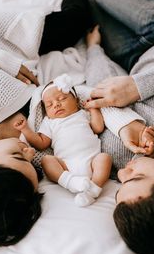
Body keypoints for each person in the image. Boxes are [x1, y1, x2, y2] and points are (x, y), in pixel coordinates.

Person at [0, 0, 93, 247]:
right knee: (82, 18)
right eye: (32, 167)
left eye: (19, 157)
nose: (29, 153)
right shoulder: (34, 150)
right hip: (35, 66)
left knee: (76, 19)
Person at [84, 0, 154, 254]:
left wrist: (93, 50)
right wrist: (138, 87)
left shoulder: (117, 158)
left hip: (130, 57)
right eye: (136, 176)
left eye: (119, 186)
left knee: (87, 8)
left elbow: (101, 94)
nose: (122, 172)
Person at [14, 73, 112, 207]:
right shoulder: (49, 123)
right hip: (65, 165)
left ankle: (93, 190)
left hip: (92, 161)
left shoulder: (82, 114)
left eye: (62, 98)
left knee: (105, 158)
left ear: (77, 101)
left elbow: (98, 128)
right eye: (49, 105)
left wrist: (94, 109)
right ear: (45, 111)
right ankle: (70, 182)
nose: (56, 105)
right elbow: (41, 143)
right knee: (46, 160)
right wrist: (26, 129)